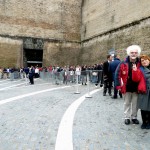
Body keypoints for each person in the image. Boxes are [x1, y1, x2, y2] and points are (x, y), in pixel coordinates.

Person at [115, 45, 142, 125]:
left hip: (136, 87)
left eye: (135, 53)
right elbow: (117, 75)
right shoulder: (123, 63)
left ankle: (134, 117)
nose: (133, 54)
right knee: (126, 103)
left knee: (135, 104)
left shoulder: (140, 63)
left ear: (138, 54)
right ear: (129, 53)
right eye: (132, 52)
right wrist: (118, 86)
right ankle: (127, 117)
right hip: (126, 87)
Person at [132, 55, 150, 129]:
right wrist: (135, 71)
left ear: (149, 60)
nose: (144, 61)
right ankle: (144, 122)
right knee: (143, 108)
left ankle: (149, 122)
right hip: (144, 91)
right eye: (142, 60)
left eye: (146, 60)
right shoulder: (140, 70)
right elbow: (136, 79)